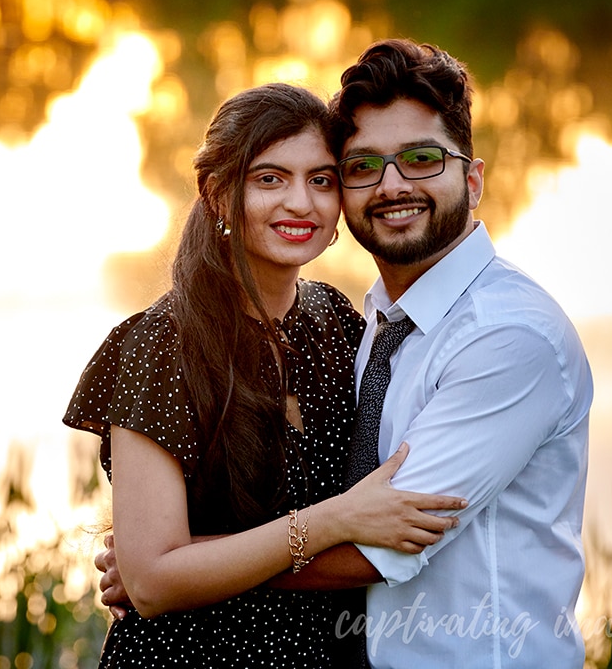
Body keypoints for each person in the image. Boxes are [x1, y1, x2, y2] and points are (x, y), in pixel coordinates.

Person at [98, 40, 594, 667]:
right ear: (219, 195)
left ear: (472, 180)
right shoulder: (355, 324)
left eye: (420, 159)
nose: (391, 186)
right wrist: (161, 570)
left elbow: (385, 543)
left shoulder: (499, 336)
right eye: (362, 167)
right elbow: (342, 518)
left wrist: (183, 564)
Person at [63, 82, 467, 667]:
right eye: (270, 179)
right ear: (220, 195)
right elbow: (150, 582)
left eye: (321, 180)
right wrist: (333, 520)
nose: (300, 203)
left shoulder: (336, 323)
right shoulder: (164, 342)